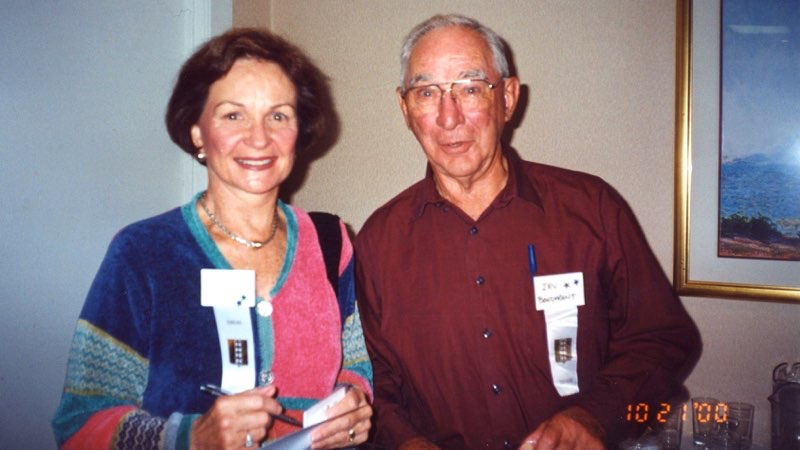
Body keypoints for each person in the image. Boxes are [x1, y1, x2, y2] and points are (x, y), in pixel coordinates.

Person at [355, 14, 699, 449]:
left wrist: (595, 418)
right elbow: (371, 381)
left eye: (470, 88)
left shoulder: (591, 209)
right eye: (427, 93)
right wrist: (405, 442)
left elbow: (662, 340)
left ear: (508, 99)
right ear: (405, 109)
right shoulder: (378, 242)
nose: (448, 116)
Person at [52, 28, 372, 449]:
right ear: (198, 131)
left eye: (278, 115)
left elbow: (355, 369)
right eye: (233, 115)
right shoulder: (143, 253)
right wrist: (188, 438)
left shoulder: (331, 244)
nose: (259, 138)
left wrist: (353, 403)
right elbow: (80, 425)